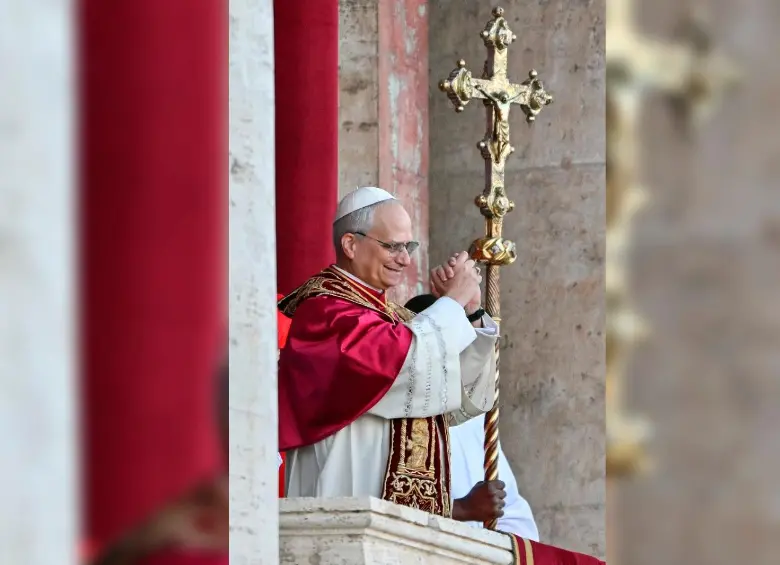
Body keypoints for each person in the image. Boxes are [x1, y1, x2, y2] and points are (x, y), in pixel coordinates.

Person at [277, 186, 498, 516]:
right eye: (393, 246)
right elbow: (395, 364)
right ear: (350, 245)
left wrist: (470, 312)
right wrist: (451, 303)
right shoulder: (324, 312)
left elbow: (457, 393)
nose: (405, 259)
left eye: (408, 246)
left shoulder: (397, 320)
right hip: (343, 504)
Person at [404, 294, 539, 540]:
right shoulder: (399, 418)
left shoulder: (473, 419)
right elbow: (392, 504)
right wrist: (463, 509)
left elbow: (512, 511)